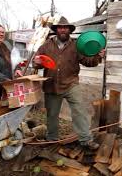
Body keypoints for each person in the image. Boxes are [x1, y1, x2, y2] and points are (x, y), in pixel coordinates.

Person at [32, 16, 105, 150]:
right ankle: (52, 139)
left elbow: (87, 62)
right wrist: (36, 63)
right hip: (51, 84)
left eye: (66, 27)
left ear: (69, 30)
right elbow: (37, 62)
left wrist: (97, 57)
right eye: (60, 27)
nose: (63, 30)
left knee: (79, 111)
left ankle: (86, 139)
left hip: (71, 84)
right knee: (52, 115)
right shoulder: (46, 45)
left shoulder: (76, 45)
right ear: (56, 30)